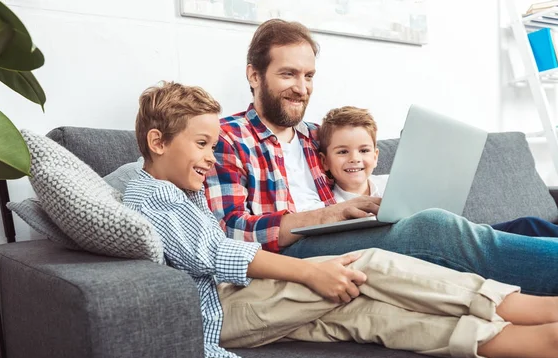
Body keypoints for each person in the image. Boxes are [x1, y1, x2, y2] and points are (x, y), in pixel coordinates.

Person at [124, 80, 558, 358]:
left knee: (364, 316)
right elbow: (219, 251)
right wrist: (313, 270)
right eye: (202, 145)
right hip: (221, 311)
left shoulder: (187, 191)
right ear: (157, 142)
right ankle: (534, 308)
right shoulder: (153, 194)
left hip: (235, 304)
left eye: (212, 145)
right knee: (366, 266)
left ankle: (526, 343)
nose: (209, 157)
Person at [203, 18, 558, 296]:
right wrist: (324, 216)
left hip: (344, 236)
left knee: (512, 226)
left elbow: (359, 165)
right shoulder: (227, 138)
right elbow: (228, 233)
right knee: (432, 228)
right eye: (288, 74)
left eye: (309, 75)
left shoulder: (318, 136)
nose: (302, 87)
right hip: (291, 257)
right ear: (254, 74)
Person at [317, 105, 558, 237]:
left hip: (453, 232)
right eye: (342, 152)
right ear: (324, 161)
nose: (355, 159)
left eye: (363, 150)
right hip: (424, 247)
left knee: (529, 225)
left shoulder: (394, 181)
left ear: (376, 156)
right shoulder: (333, 205)